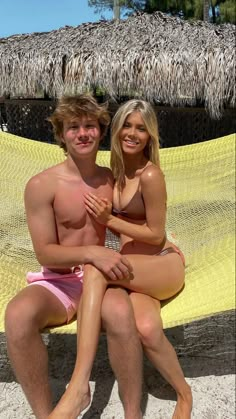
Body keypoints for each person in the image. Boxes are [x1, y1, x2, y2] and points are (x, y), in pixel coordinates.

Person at [49, 99, 192, 419]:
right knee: (146, 329)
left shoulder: (150, 175)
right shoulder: (112, 171)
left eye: (141, 128)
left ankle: (78, 386)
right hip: (135, 273)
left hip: (163, 263)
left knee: (95, 270)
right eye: (127, 125)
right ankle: (184, 392)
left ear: (150, 136)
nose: (132, 133)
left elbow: (156, 234)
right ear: (115, 130)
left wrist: (110, 220)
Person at [4, 94, 145, 419]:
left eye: (90, 125)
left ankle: (133, 414)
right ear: (61, 134)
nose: (82, 133)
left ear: (101, 129)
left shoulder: (112, 179)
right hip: (59, 280)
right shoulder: (42, 185)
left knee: (123, 315)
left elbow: (134, 226)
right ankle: (48, 414)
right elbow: (45, 253)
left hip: (102, 278)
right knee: (17, 316)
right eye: (73, 127)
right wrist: (94, 251)